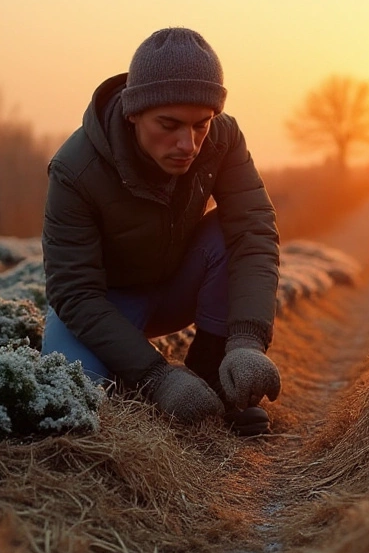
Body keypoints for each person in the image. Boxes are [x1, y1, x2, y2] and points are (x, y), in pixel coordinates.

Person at [41, 27, 282, 436]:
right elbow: (74, 292)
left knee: (234, 230)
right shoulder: (75, 169)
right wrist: (157, 377)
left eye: (201, 125)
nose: (188, 143)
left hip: (175, 284)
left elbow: (254, 234)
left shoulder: (223, 139)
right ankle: (151, 383)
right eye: (168, 124)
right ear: (134, 112)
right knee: (79, 398)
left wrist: (246, 342)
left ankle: (214, 381)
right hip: (105, 301)